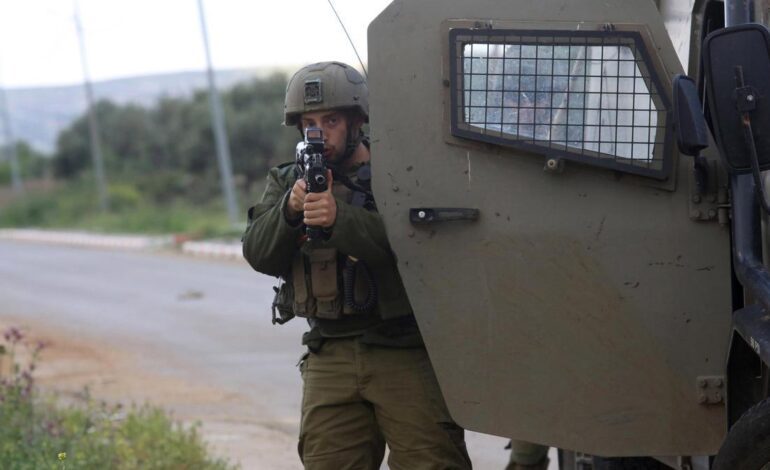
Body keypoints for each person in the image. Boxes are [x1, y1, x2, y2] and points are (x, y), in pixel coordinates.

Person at [242, 61, 472, 470]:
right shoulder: (286, 182)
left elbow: (417, 246)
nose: (320, 133)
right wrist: (290, 211)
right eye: (309, 122)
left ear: (356, 121)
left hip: (403, 349)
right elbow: (258, 254)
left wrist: (339, 218)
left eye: (331, 120)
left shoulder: (397, 172)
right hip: (329, 350)